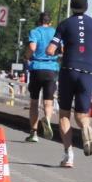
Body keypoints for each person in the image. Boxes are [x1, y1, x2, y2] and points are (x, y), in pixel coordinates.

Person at [46, 0, 92, 168]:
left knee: (65, 114)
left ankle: (68, 155)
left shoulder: (64, 24)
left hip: (68, 70)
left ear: (71, 7)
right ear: (87, 6)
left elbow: (50, 50)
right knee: (82, 115)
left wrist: (62, 52)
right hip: (87, 72)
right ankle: (85, 127)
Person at [24, 12, 58, 143]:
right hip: (52, 69)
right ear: (50, 22)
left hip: (37, 68)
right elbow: (63, 49)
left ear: (39, 21)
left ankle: (33, 133)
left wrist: (26, 57)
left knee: (34, 102)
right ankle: (47, 120)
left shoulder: (35, 31)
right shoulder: (55, 32)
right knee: (48, 102)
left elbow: (32, 47)